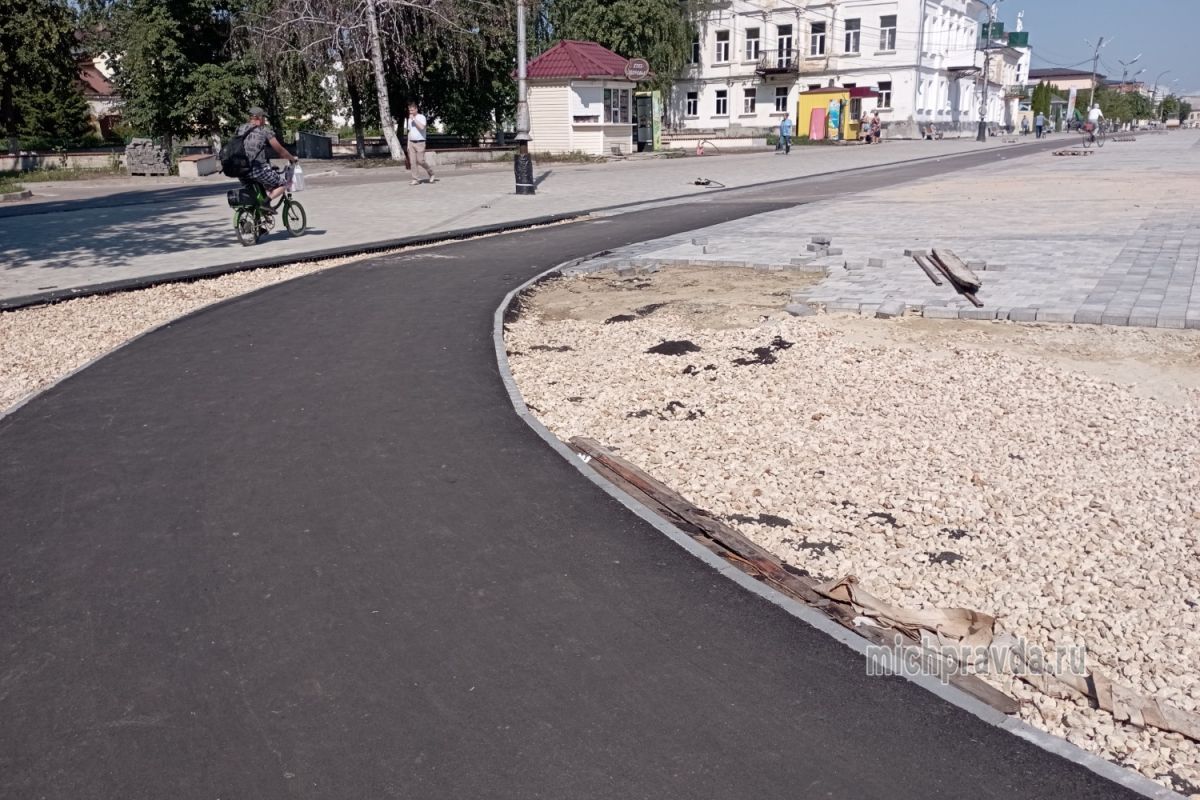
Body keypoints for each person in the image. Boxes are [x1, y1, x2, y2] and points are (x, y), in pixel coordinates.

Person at [235, 106, 297, 203]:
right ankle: (266, 203)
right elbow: (280, 151)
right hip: (256, 169)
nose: (265, 120)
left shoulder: (240, 129)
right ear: (259, 118)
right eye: (264, 117)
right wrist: (292, 159)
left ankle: (259, 213)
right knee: (283, 184)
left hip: (239, 170)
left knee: (259, 189)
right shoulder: (264, 131)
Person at [405, 101, 437, 185]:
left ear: (416, 109)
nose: (410, 112)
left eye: (412, 110)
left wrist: (414, 119)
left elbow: (422, 127)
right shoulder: (409, 119)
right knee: (413, 162)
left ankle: (431, 173)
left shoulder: (421, 117)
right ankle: (416, 179)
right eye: (409, 110)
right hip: (411, 143)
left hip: (420, 143)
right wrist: (408, 144)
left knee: (421, 161)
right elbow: (410, 131)